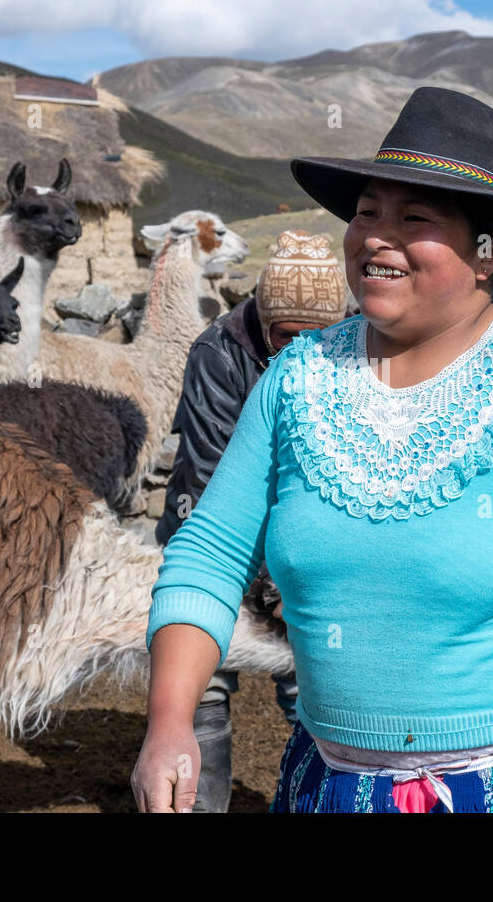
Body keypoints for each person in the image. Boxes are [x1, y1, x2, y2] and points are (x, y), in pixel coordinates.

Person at [133, 86, 493, 813]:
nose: (375, 237)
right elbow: (208, 554)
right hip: (338, 787)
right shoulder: (297, 381)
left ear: (489, 253)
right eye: (366, 213)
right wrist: (170, 724)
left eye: (414, 218)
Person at [154, 229, 348, 812]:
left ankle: (322, 795)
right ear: (265, 321)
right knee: (200, 681)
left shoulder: (360, 351)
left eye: (318, 337)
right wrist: (267, 585)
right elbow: (210, 480)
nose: (301, 352)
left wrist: (303, 578)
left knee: (319, 681)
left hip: (310, 546)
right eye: (287, 336)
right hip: (215, 539)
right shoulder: (218, 353)